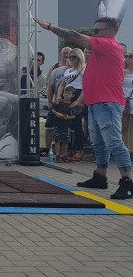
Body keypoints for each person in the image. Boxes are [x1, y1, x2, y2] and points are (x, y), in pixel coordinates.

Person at [34, 16, 133, 199]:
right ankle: (100, 176)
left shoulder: (109, 45)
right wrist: (82, 99)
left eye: (97, 31)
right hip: (96, 103)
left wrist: (48, 26)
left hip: (108, 103)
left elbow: (73, 35)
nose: (93, 34)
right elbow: (94, 79)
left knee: (113, 142)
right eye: (92, 31)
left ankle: (127, 182)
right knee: (98, 142)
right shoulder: (99, 53)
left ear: (111, 32)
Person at [55, 48, 86, 161]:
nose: (71, 59)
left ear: (79, 57)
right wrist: (59, 96)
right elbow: (63, 84)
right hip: (67, 95)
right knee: (68, 123)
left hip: (78, 94)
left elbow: (86, 85)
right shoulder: (68, 70)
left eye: (74, 57)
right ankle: (70, 149)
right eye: (69, 57)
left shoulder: (83, 69)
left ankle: (79, 149)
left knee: (77, 123)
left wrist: (79, 100)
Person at [41, 47, 72, 158]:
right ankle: (48, 148)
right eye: (65, 53)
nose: (67, 56)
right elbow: (49, 86)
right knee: (50, 125)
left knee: (68, 129)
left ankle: (66, 152)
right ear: (61, 54)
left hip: (70, 105)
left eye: (70, 54)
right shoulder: (55, 69)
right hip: (57, 103)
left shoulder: (78, 70)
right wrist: (50, 102)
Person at [52, 86, 81, 163]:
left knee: (66, 141)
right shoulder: (59, 102)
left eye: (69, 93)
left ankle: (64, 155)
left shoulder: (72, 105)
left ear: (73, 95)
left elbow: (74, 115)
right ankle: (57, 155)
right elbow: (53, 109)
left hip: (67, 125)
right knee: (57, 140)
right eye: (65, 93)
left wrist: (68, 117)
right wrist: (57, 113)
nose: (66, 95)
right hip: (58, 124)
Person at [123, 50, 133, 157]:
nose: (128, 58)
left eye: (130, 56)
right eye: (127, 56)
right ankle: (125, 151)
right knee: (124, 127)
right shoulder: (123, 72)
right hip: (125, 101)